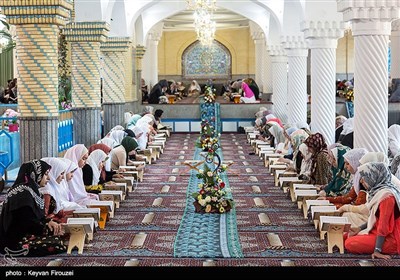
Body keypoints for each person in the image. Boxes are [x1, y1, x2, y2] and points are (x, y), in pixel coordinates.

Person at [0, 160, 67, 256]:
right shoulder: (23, 194)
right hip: (14, 241)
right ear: (35, 174)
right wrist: (46, 230)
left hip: (25, 233)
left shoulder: (31, 190)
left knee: (58, 237)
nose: (48, 178)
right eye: (45, 174)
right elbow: (26, 222)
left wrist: (48, 222)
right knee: (57, 245)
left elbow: (35, 217)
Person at [345, 162, 400, 259]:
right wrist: (359, 228)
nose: (361, 181)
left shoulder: (387, 197)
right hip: (378, 232)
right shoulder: (378, 192)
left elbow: (383, 226)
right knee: (346, 236)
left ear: (374, 177)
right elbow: (376, 218)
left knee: (350, 243)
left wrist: (377, 250)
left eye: (365, 177)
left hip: (391, 239)